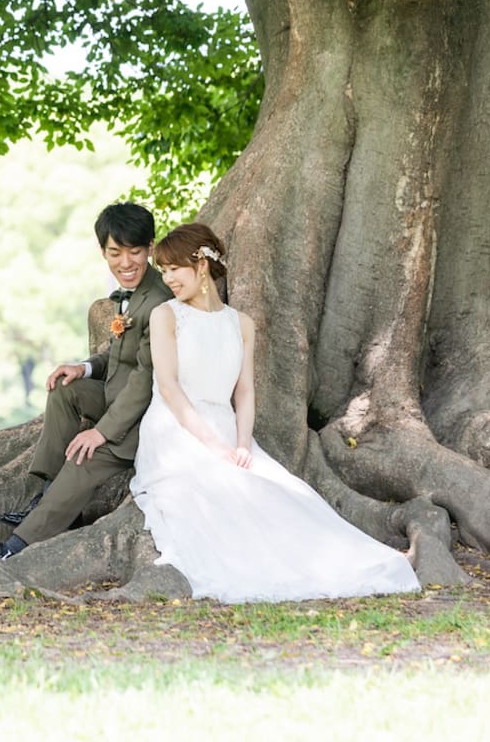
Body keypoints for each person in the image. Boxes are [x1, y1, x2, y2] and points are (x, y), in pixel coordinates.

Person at [129, 222, 420, 603]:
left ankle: (346, 564)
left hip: (229, 430)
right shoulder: (165, 315)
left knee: (284, 492)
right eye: (163, 270)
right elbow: (168, 387)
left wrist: (242, 443)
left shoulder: (241, 324)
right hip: (174, 430)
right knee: (221, 491)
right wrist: (215, 447)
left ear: (201, 265)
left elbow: (245, 391)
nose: (167, 278)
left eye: (173, 268)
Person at [0, 202, 173, 564]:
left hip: (142, 420)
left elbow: (144, 379)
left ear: (150, 247)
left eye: (135, 252)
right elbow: (119, 358)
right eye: (115, 253)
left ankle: (12, 551)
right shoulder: (130, 295)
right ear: (102, 251)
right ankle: (46, 494)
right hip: (113, 396)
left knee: (82, 456)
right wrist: (84, 369)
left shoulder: (158, 299)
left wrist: (100, 433)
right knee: (64, 389)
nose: (125, 263)